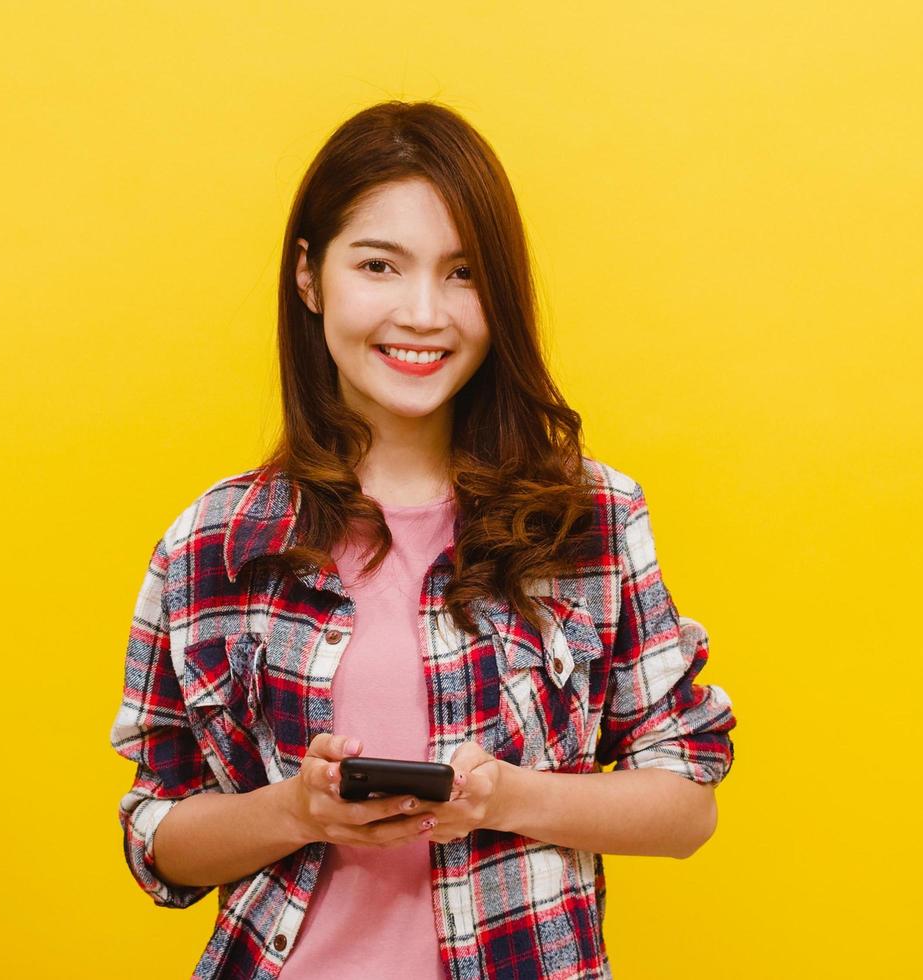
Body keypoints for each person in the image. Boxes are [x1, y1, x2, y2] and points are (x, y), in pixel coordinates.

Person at [108, 100, 737, 980]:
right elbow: (158, 840)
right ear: (310, 277)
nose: (422, 313)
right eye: (379, 265)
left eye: (462, 273)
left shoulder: (589, 519)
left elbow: (686, 808)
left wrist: (507, 797)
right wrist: (299, 811)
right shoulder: (212, 542)